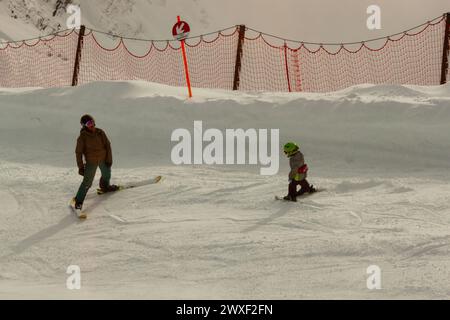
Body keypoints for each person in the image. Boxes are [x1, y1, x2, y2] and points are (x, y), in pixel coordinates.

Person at [72, 115, 118, 210]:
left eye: (92, 122)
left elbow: (107, 145)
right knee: (87, 182)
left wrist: (109, 159)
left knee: (107, 174)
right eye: (89, 123)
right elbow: (78, 153)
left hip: (103, 158)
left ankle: (105, 187)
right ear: (84, 126)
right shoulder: (82, 137)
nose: (92, 125)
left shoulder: (100, 132)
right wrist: (81, 167)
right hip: (91, 162)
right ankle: (78, 201)